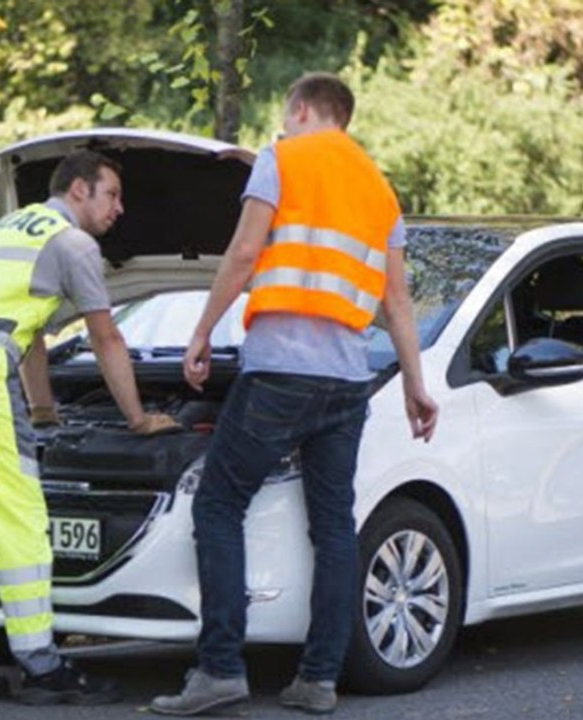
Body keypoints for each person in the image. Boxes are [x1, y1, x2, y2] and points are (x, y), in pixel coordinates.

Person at [150, 72, 439, 716]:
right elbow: (396, 300)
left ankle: (220, 668)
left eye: (286, 119)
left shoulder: (283, 158)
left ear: (302, 109)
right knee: (334, 527)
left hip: (280, 371)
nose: (281, 131)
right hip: (345, 382)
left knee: (219, 505)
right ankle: (318, 679)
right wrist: (417, 385)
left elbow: (245, 251)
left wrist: (200, 332)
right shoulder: (380, 190)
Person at [0, 150, 178, 706]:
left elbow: (31, 333)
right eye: (112, 195)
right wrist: (137, 417)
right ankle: (41, 666)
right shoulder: (75, 244)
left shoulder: (13, 225)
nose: (120, 209)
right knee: (21, 515)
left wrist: (45, 410)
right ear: (79, 190)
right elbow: (107, 338)